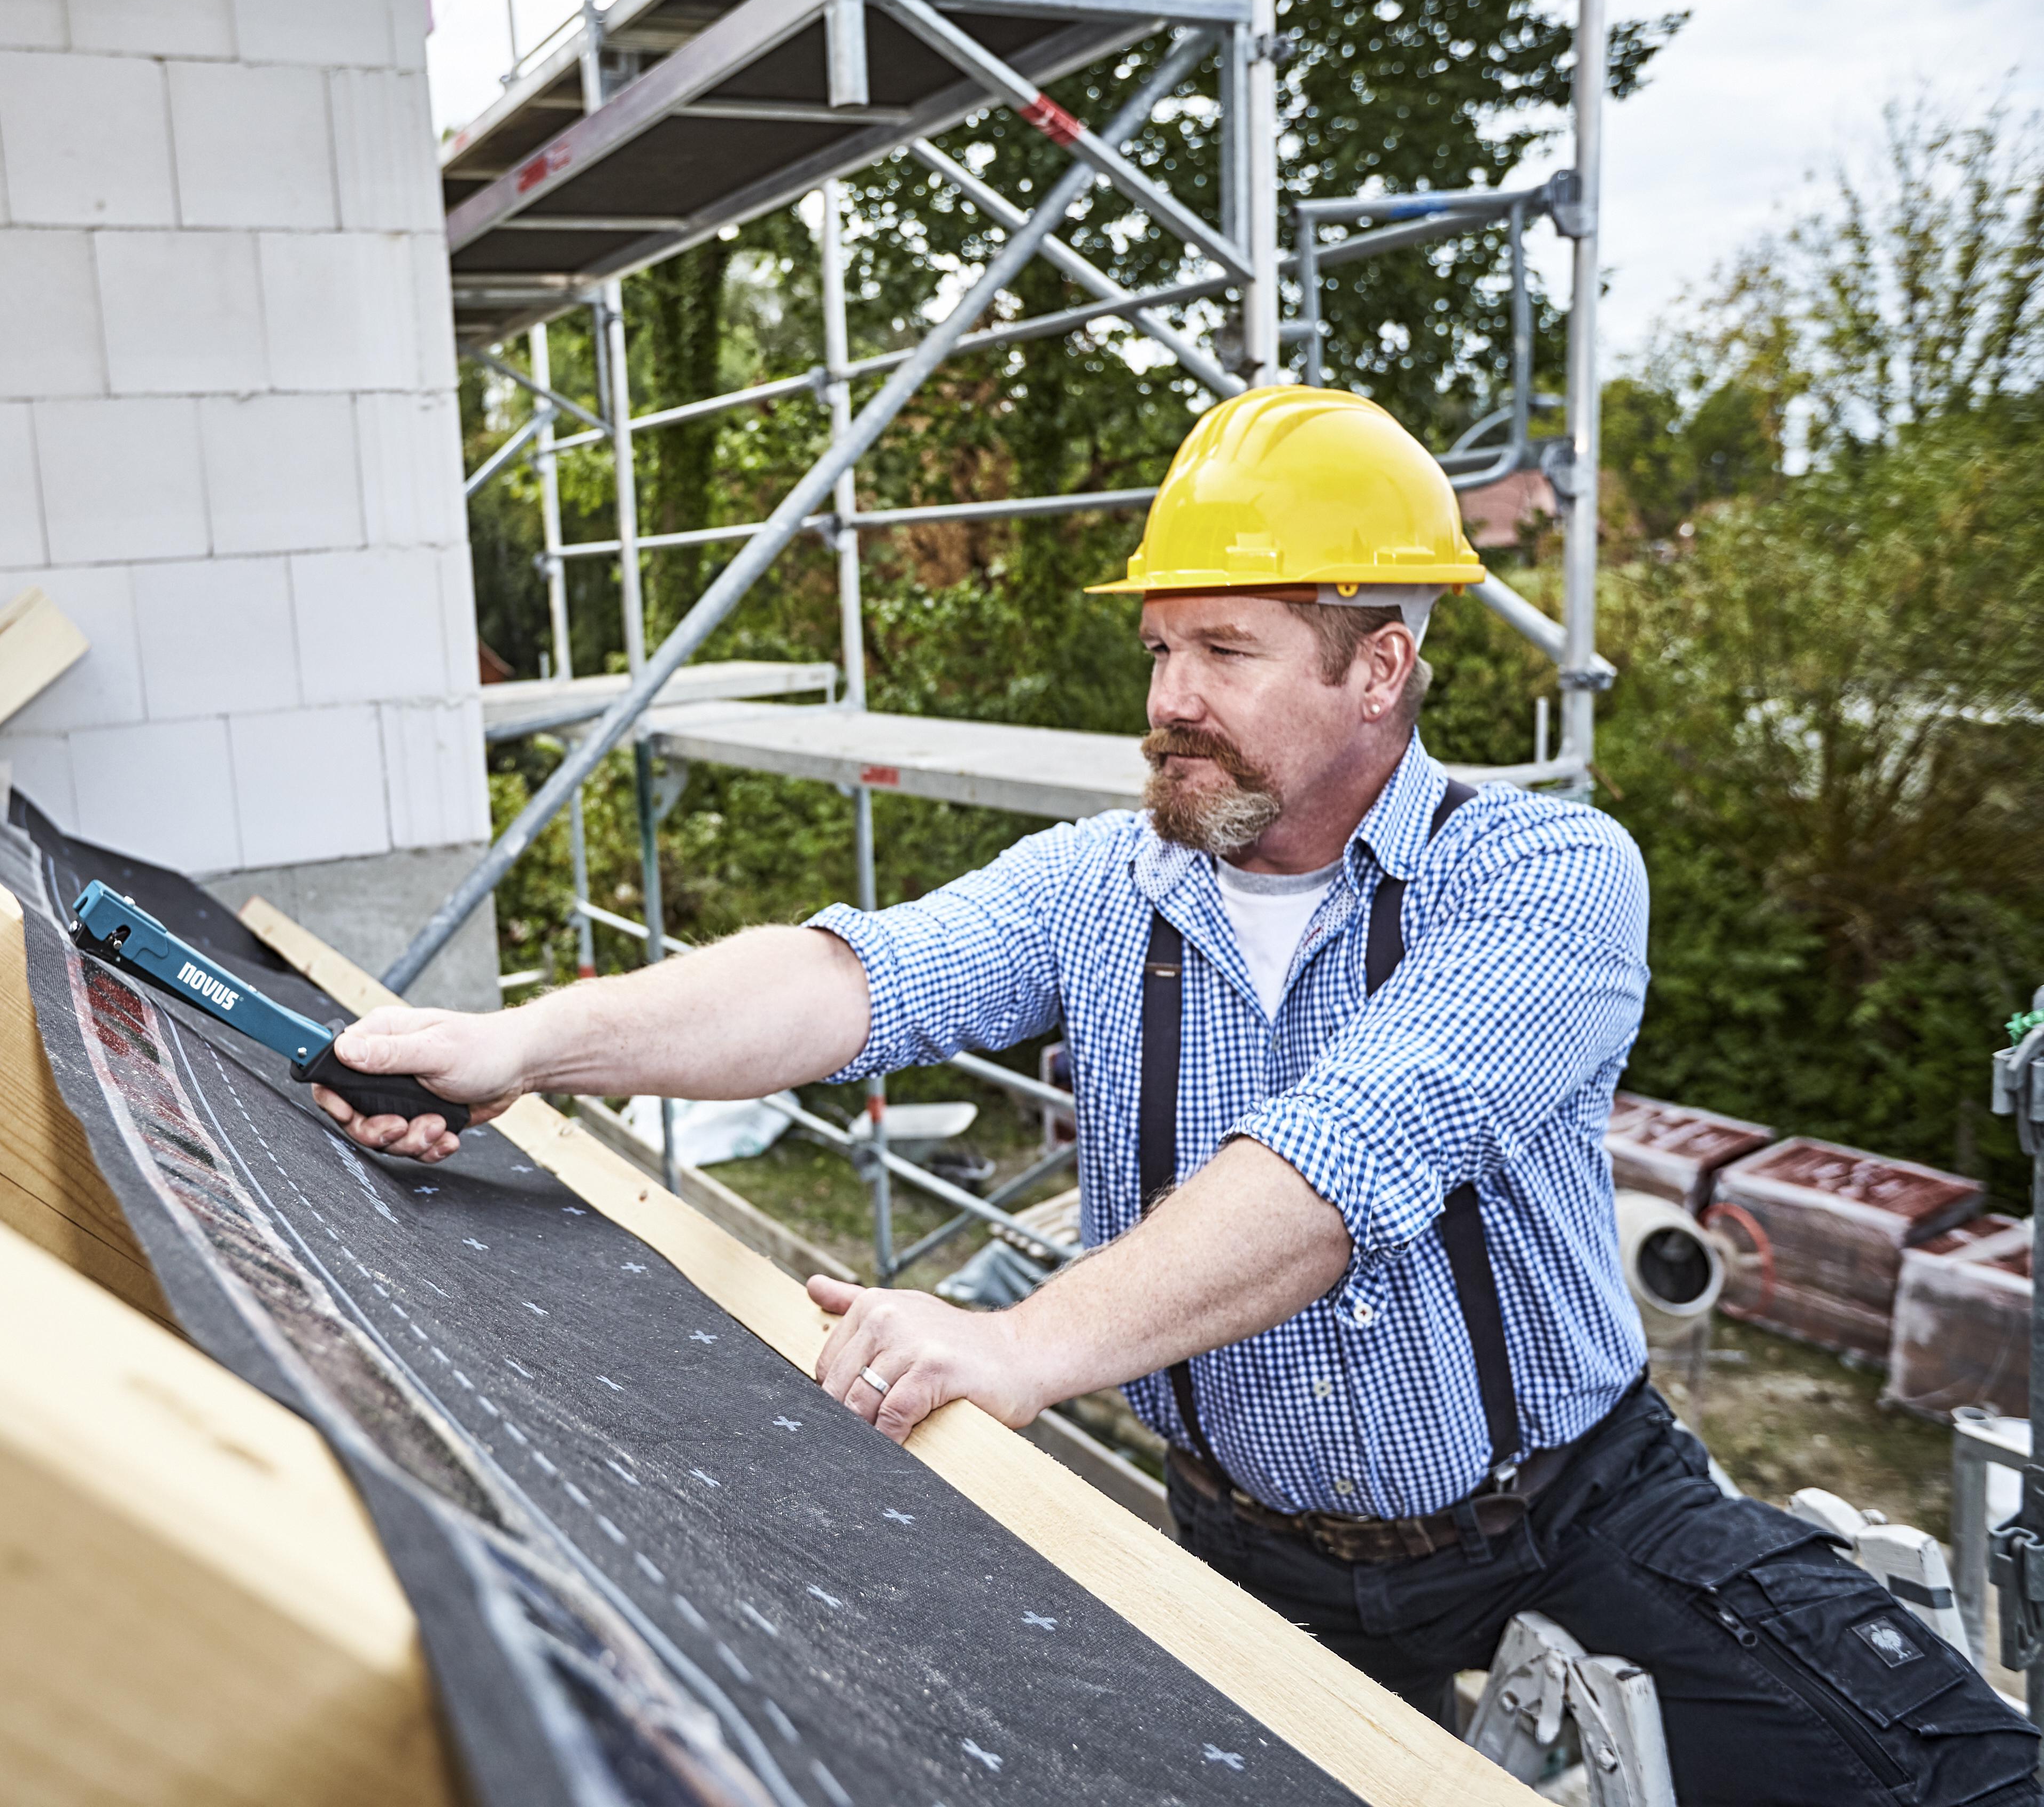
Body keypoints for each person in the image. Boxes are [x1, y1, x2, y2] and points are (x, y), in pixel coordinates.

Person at [314, 386, 2040, 1804]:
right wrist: (525, 1045)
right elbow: (847, 976)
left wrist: (1018, 1346)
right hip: (1257, 1555)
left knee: (1960, 1777)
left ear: (1380, 669)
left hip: (1572, 1517)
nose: (1166, 704)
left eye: (1223, 651)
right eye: (1157, 652)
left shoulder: (1544, 878)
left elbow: (1352, 1156)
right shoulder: (1099, 885)